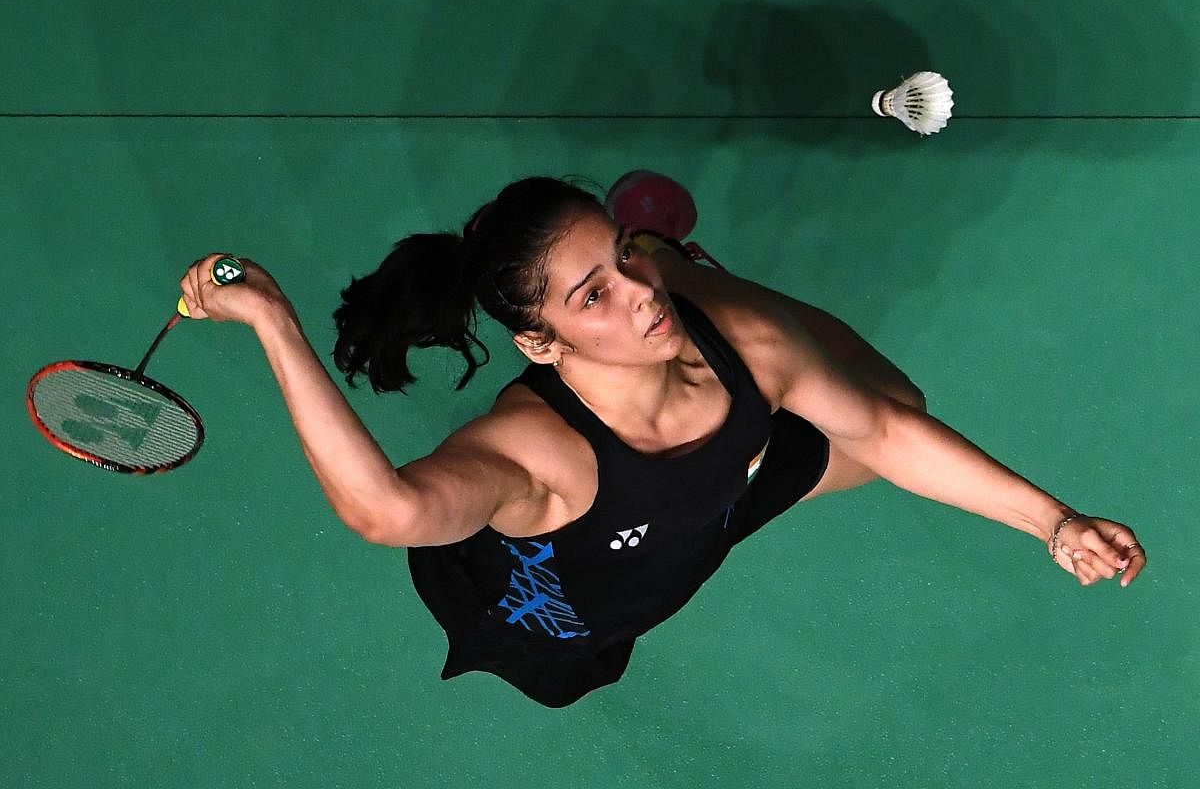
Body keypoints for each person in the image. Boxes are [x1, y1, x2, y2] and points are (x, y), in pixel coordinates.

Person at [178, 173, 1146, 707]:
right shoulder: (536, 455)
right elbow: (382, 508)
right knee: (569, 671)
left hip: (721, 490)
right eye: (595, 289)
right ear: (538, 342)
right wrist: (272, 319)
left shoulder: (736, 347)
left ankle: (679, 251)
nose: (637, 295)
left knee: (892, 397)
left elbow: (888, 428)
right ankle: (683, 258)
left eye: (620, 256)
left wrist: (1053, 522)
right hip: (562, 590)